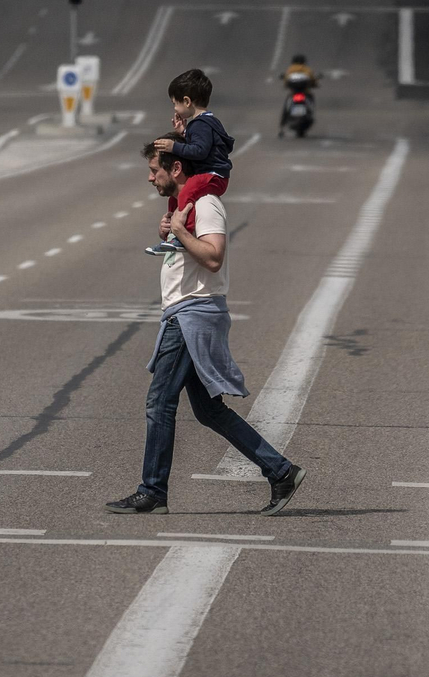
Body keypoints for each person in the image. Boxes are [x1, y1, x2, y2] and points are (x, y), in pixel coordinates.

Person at [107, 137, 304, 517]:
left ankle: (153, 491)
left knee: (159, 402)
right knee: (208, 411)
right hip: (186, 312)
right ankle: (281, 472)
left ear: (176, 168)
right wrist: (170, 233)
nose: (150, 178)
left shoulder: (206, 204)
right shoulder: (185, 205)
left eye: (154, 170)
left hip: (191, 314)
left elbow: (213, 258)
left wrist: (180, 232)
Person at [146, 68, 233, 256]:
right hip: (208, 174)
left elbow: (199, 151)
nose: (175, 109)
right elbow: (200, 144)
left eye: (175, 104)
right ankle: (170, 236)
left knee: (186, 193)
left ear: (187, 101)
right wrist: (183, 133)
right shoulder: (202, 124)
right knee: (175, 197)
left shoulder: (201, 124)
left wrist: (174, 147)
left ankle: (182, 236)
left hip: (213, 175)